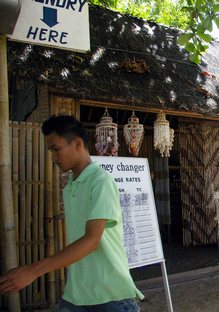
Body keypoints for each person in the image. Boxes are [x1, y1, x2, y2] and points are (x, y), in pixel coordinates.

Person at [0, 115, 143, 311]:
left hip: (111, 295)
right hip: (77, 295)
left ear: (77, 144)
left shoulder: (100, 182)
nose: (53, 157)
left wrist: (33, 271)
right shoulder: (70, 187)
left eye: (56, 149)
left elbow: (92, 241)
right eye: (51, 150)